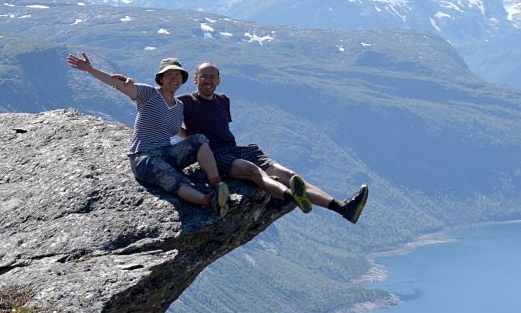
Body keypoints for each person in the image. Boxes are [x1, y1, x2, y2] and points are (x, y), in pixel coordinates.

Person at [178, 62, 368, 223]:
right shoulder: (186, 102)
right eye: (203, 76)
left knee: (289, 174)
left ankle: (343, 209)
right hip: (215, 155)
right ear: (195, 79)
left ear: (218, 80)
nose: (208, 81)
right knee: (254, 172)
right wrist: (194, 141)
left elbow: (222, 128)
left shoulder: (223, 101)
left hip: (234, 148)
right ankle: (294, 196)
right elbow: (166, 118)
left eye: (212, 77)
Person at [67, 53, 230, 216]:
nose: (175, 79)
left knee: (199, 139)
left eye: (178, 75)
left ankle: (217, 185)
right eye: (170, 75)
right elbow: (116, 84)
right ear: (161, 79)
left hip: (166, 153)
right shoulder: (149, 94)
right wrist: (90, 69)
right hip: (144, 158)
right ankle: (209, 201)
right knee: (173, 179)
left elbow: (180, 132)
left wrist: (205, 146)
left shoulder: (179, 106)